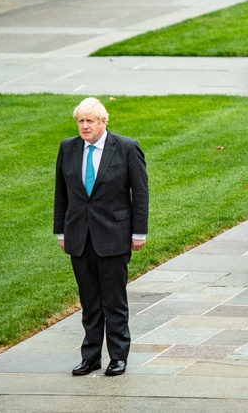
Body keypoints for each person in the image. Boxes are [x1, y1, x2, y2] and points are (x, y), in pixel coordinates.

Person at [54, 97, 149, 377]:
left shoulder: (127, 148)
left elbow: (140, 193)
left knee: (114, 301)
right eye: (80, 121)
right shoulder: (68, 148)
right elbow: (61, 192)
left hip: (114, 236)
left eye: (90, 121)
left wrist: (138, 232)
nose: (84, 126)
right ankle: (91, 356)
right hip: (79, 237)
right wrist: (60, 231)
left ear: (103, 121)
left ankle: (118, 356)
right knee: (89, 301)